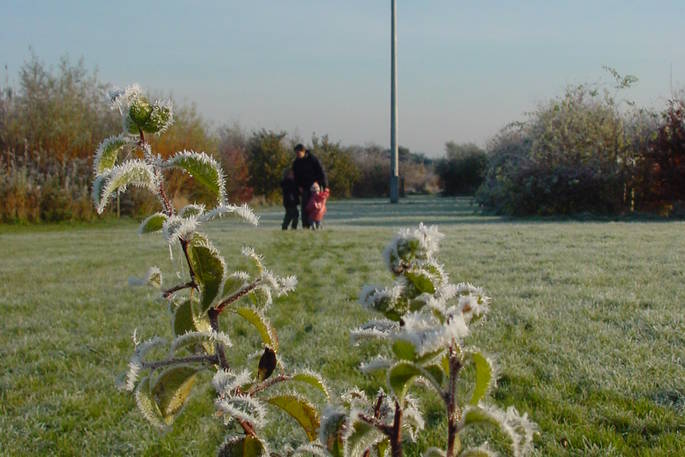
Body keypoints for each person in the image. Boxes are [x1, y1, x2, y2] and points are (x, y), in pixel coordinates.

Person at [292, 144, 327, 228]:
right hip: (304, 188)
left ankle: (317, 224)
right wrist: (298, 187)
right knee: (305, 207)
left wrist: (324, 185)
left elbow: (321, 171)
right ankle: (306, 226)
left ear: (303, 151)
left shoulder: (313, 159)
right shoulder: (296, 162)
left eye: (298, 153)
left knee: (316, 207)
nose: (297, 155)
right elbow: (295, 176)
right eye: (296, 153)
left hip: (315, 187)